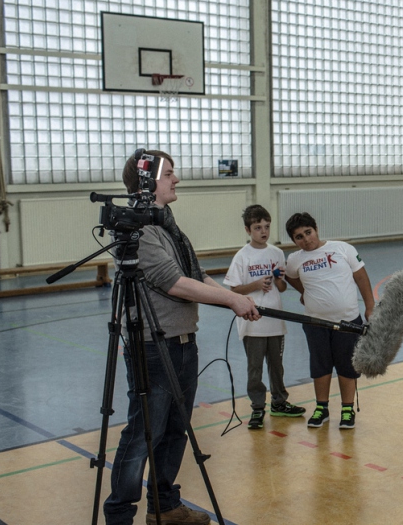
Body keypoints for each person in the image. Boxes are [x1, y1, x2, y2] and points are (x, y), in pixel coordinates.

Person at [104, 150, 260, 525]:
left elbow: (195, 273)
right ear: (147, 182)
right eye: (169, 174)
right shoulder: (138, 231)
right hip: (153, 348)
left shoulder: (166, 225)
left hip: (182, 340)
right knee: (145, 432)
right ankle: (119, 514)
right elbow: (175, 283)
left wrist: (234, 298)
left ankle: (164, 506)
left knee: (176, 428)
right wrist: (231, 298)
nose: (176, 180)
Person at [283, 212, 375, 430]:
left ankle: (347, 409)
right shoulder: (295, 259)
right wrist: (305, 292)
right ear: (293, 240)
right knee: (320, 364)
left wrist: (370, 306)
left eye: (308, 232)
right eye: (299, 237)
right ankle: (321, 408)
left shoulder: (343, 249)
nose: (306, 239)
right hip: (315, 323)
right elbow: (289, 277)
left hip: (348, 321)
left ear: (316, 229)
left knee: (347, 365)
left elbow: (361, 277)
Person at [223, 205, 306, 429]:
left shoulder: (277, 253)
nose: (263, 231)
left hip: (275, 322)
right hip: (253, 323)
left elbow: (281, 287)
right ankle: (257, 408)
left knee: (277, 366)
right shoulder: (242, 256)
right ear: (248, 230)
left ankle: (279, 402)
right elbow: (234, 291)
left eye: (267, 227)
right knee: (255, 368)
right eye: (258, 227)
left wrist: (278, 279)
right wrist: (256, 284)